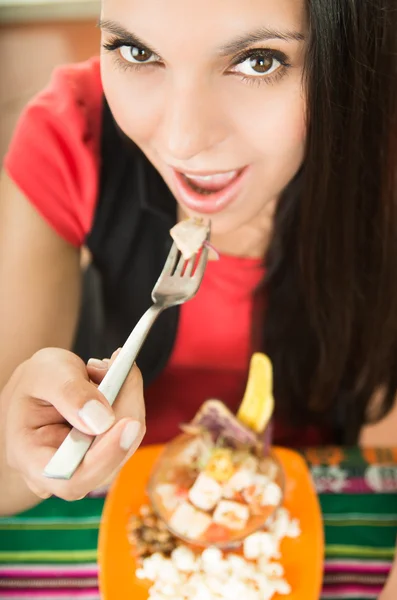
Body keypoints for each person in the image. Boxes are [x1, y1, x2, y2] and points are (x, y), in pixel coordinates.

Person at [0, 0, 396, 535]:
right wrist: (21, 446)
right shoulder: (74, 131)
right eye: (136, 51)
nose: (184, 141)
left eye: (259, 61)